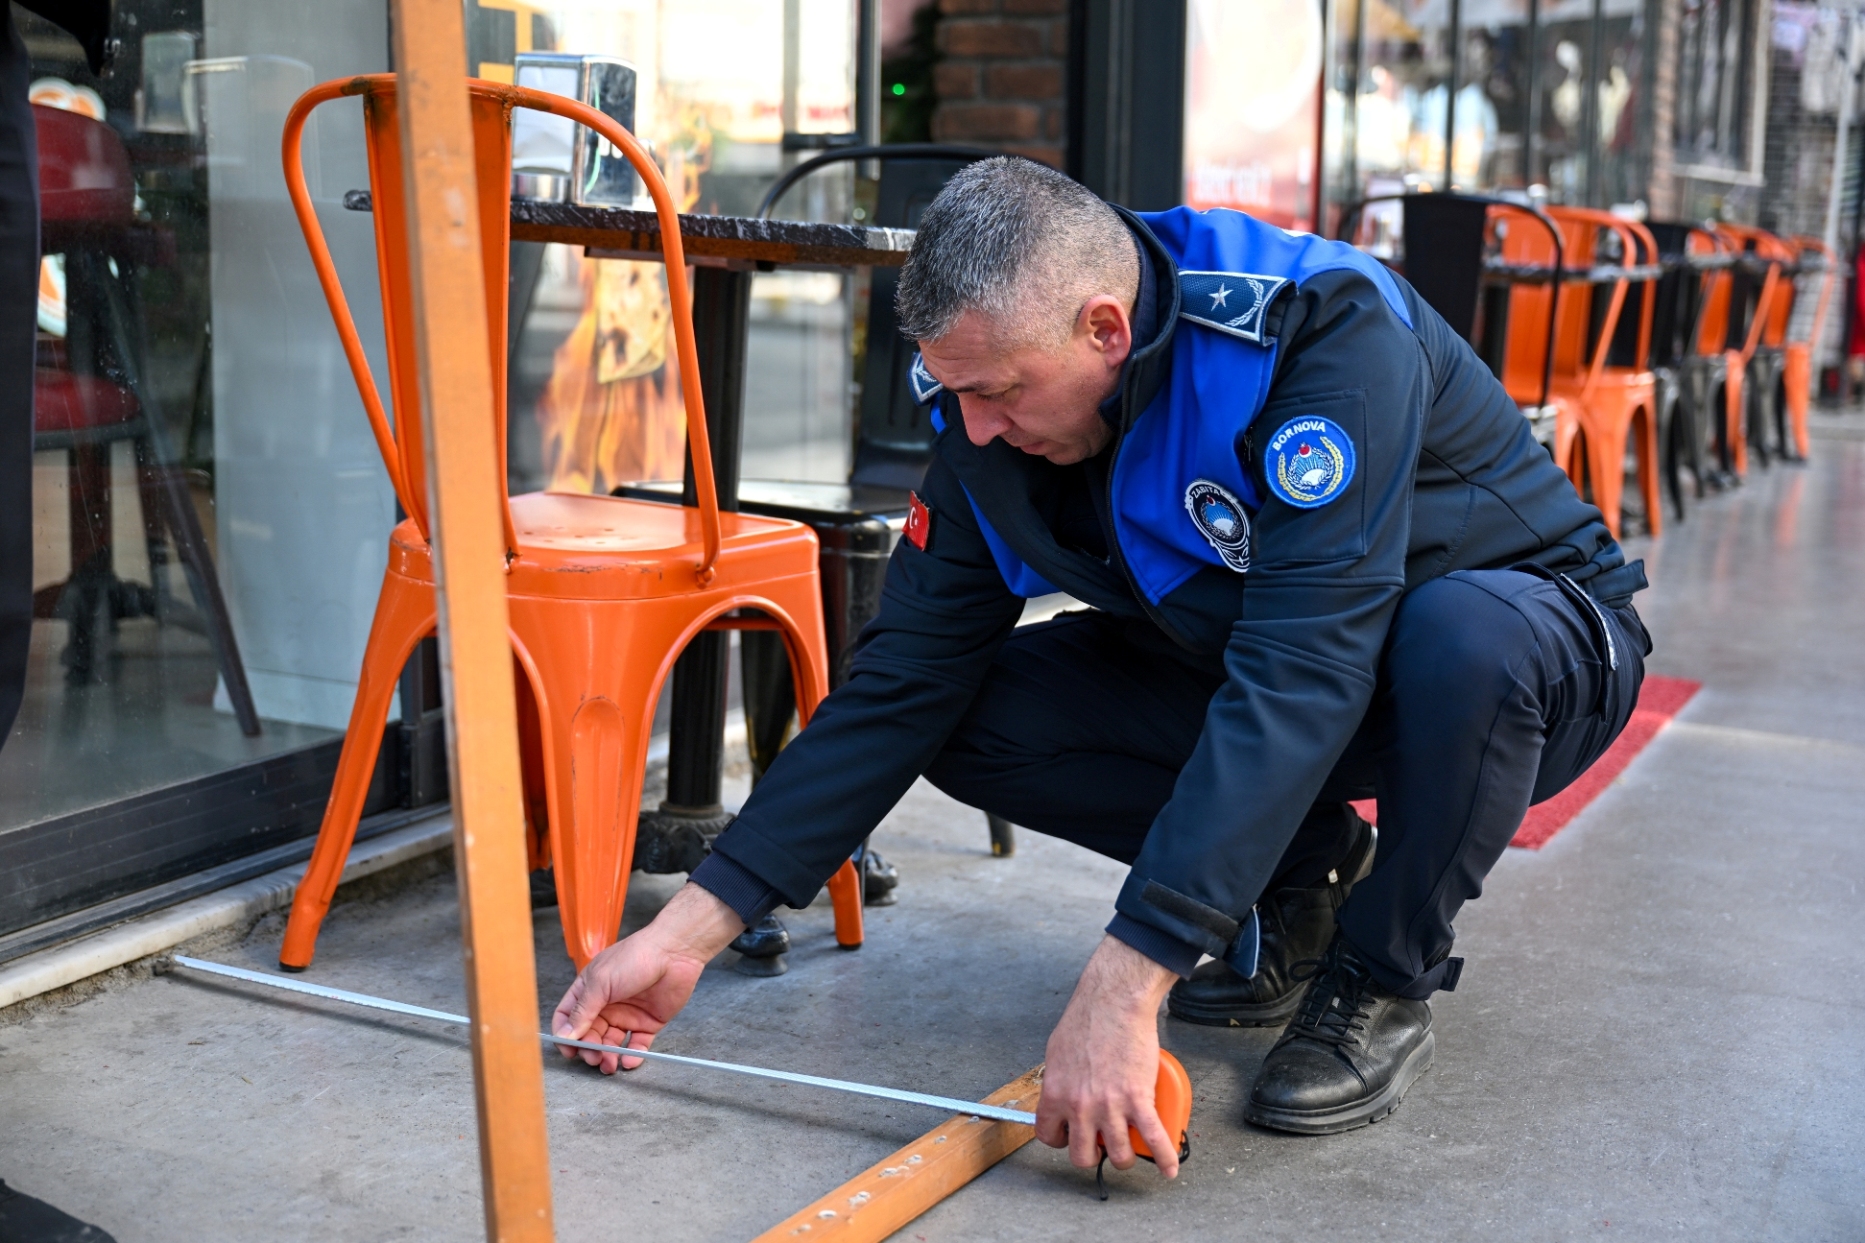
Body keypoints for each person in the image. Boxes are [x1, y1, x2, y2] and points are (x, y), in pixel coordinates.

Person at [552, 158, 1648, 1176]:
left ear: (1104, 329)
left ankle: (1382, 972)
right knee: (972, 712)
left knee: (1465, 639)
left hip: (1510, 662)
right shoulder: (989, 410)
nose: (976, 430)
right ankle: (1302, 880)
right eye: (954, 393)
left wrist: (1129, 975)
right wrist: (685, 934)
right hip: (1257, 654)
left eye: (998, 393)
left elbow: (1303, 667)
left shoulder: (1315, 328)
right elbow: (903, 680)